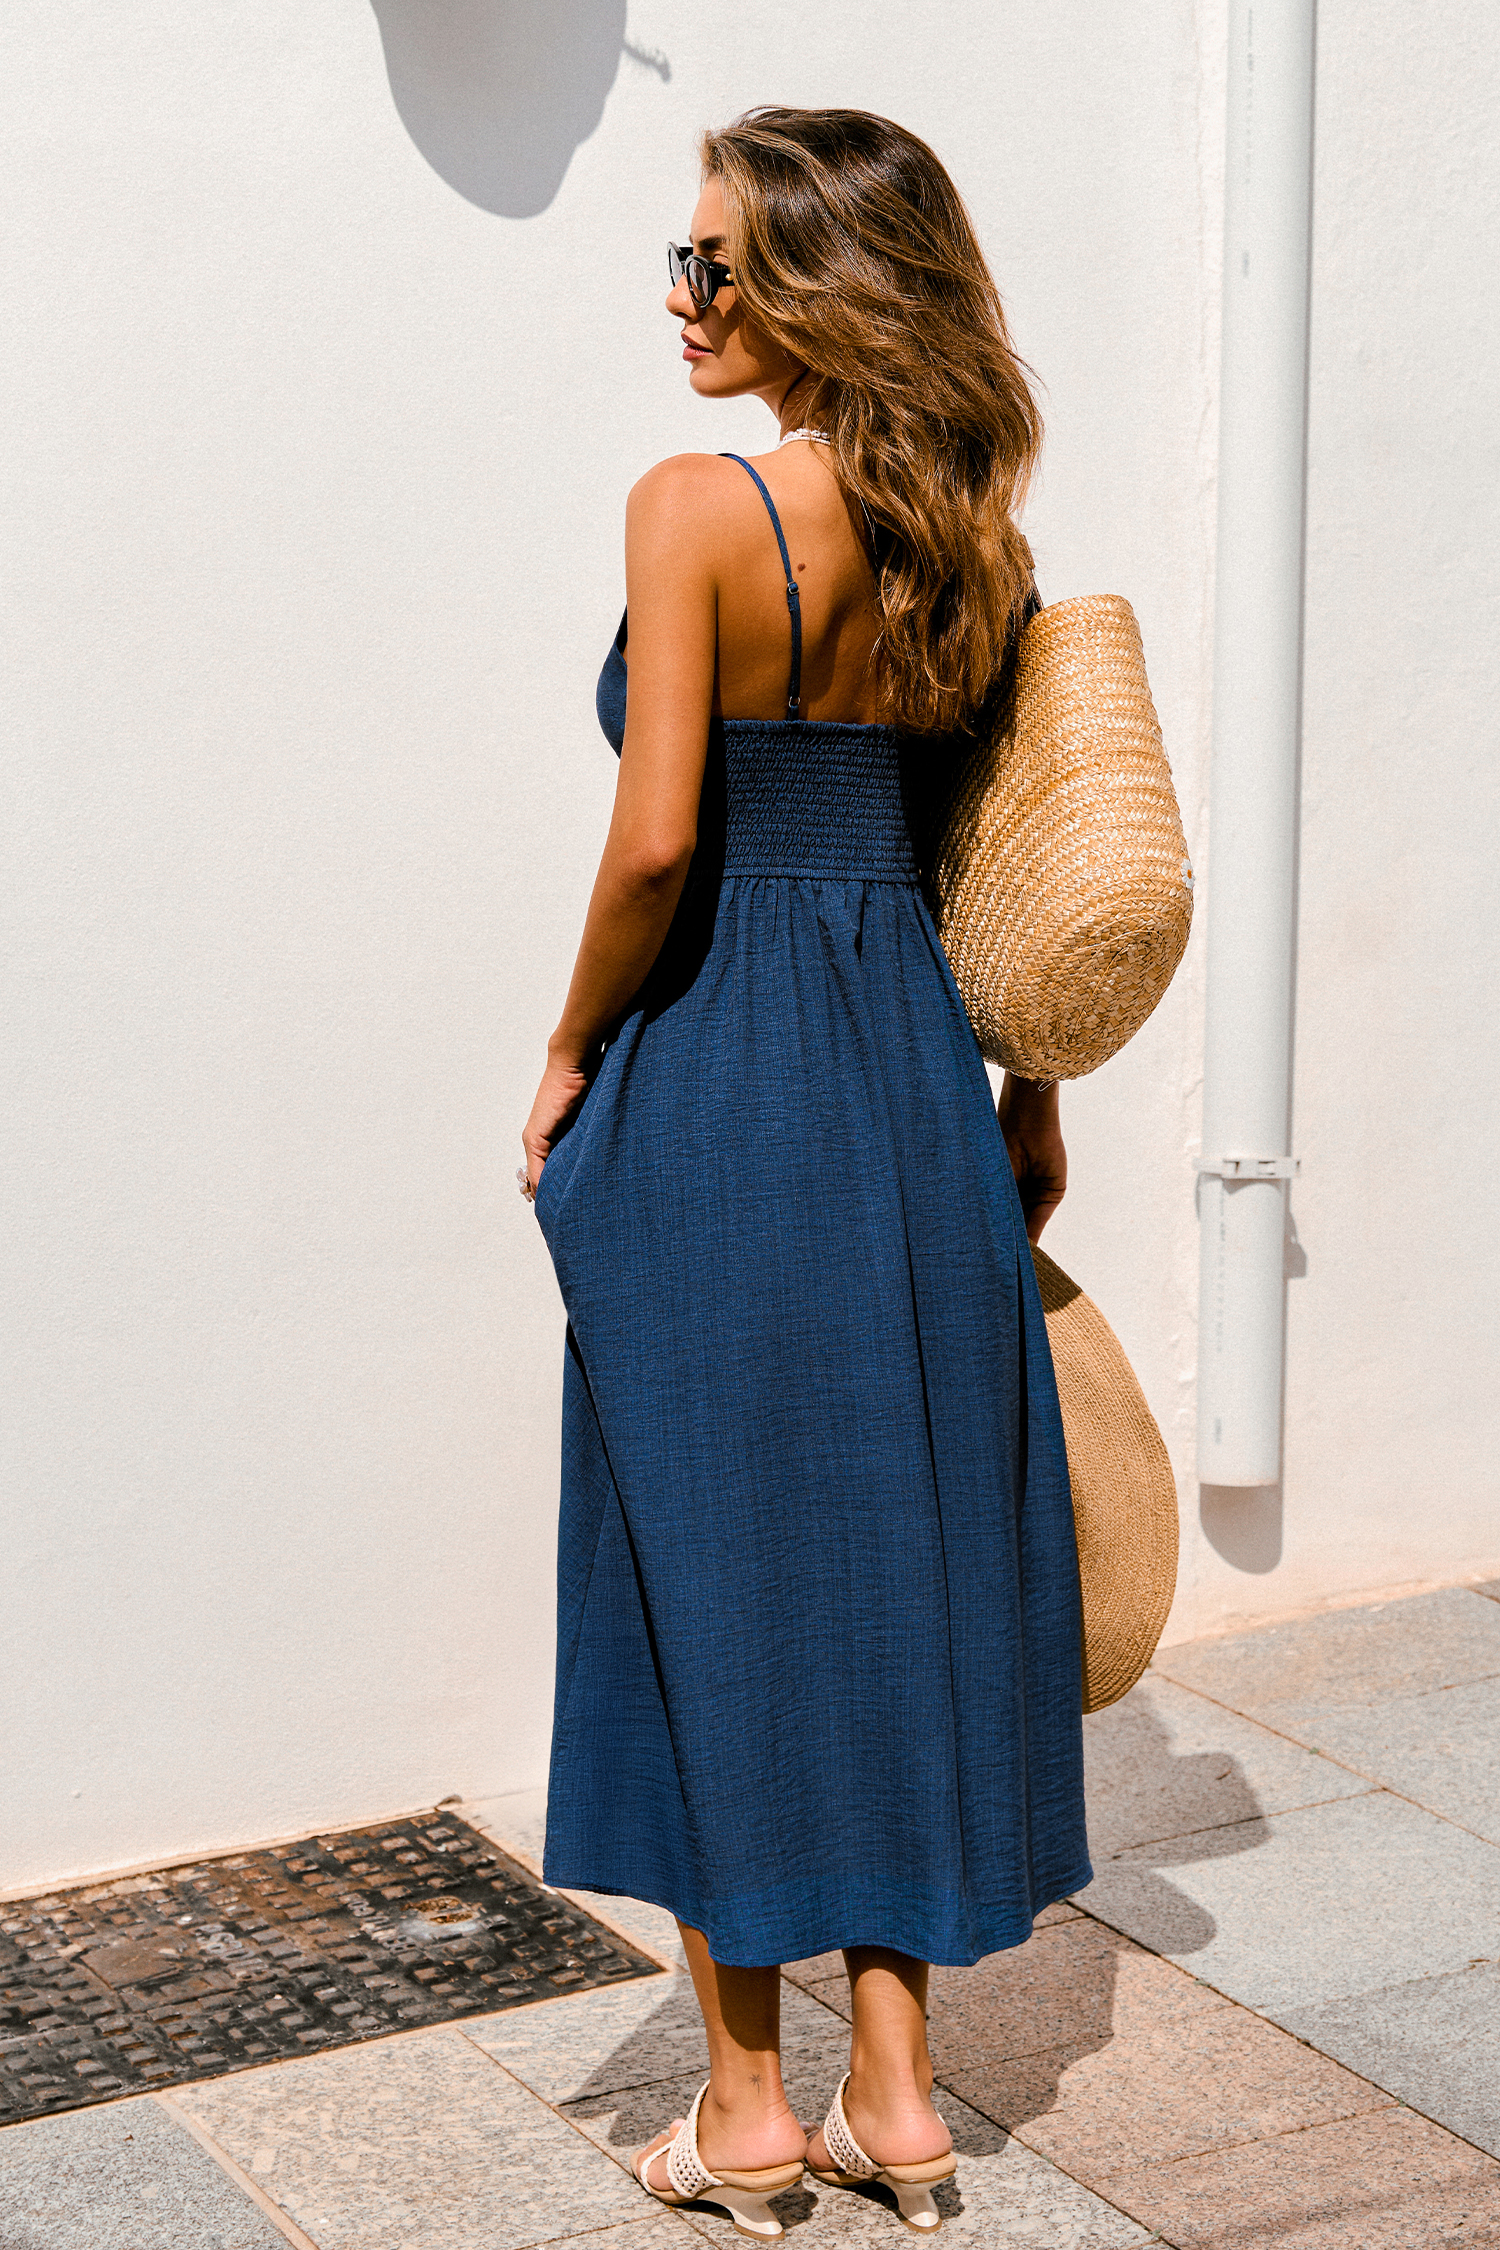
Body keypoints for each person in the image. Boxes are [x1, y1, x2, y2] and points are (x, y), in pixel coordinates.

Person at [521, 106, 1089, 2241]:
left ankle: (746, 2116)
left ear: (817, 289)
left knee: (710, 1561)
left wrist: (573, 1046)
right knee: (898, 1546)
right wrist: (1031, 1100)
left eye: (715, 267)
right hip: (918, 1084)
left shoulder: (696, 511)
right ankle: (904, 2094)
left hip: (724, 1066)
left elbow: (662, 838)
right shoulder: (976, 548)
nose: (684, 304)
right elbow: (994, 863)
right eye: (680, 265)